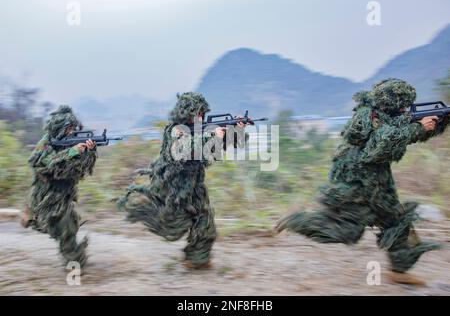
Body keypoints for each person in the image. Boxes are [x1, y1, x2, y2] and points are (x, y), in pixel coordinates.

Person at [276, 79, 449, 284]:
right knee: (347, 230)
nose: (405, 108)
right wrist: (418, 128)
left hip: (376, 180)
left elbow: (401, 133)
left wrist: (438, 122)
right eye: (402, 103)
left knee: (397, 220)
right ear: (392, 101)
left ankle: (399, 271)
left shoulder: (386, 116)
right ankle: (295, 221)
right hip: (357, 182)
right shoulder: (371, 117)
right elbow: (381, 146)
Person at [117, 92, 246, 269]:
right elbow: (184, 150)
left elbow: (219, 146)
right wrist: (211, 135)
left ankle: (196, 260)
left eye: (202, 113)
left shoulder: (204, 129)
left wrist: (235, 129)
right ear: (186, 113)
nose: (200, 117)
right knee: (173, 226)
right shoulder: (175, 130)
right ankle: (145, 207)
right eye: (196, 113)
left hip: (195, 185)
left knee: (206, 223)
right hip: (174, 187)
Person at [22, 105, 97, 269]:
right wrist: (72, 152)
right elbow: (43, 163)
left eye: (73, 128)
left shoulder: (71, 141)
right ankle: (74, 269)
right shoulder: (47, 143)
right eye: (68, 128)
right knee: (65, 228)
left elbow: (81, 169)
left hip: (64, 193)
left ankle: (33, 217)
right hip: (48, 194)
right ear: (58, 127)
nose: (71, 131)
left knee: (66, 227)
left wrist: (88, 152)